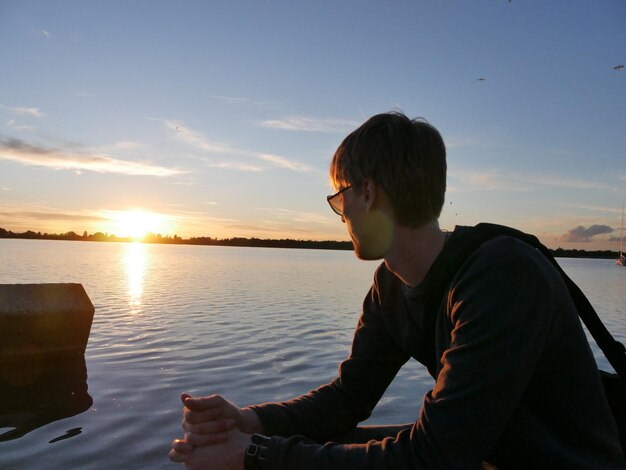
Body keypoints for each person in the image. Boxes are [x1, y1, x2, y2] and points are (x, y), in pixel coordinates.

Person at [169, 112, 625, 469]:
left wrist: (253, 456)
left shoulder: (503, 276)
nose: (339, 211)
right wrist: (249, 422)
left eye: (338, 195)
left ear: (366, 192)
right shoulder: (391, 283)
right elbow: (349, 397)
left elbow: (434, 457)